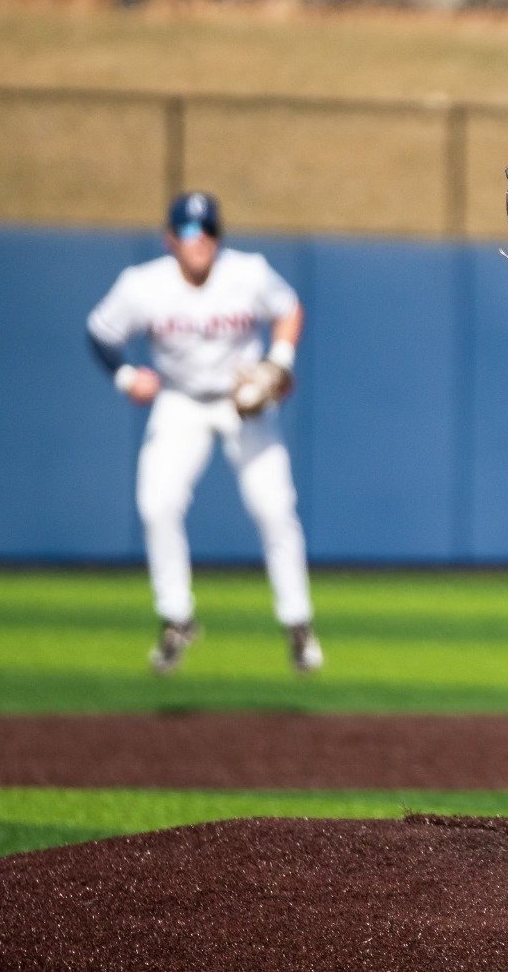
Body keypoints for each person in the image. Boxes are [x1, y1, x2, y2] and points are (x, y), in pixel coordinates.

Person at [86, 192, 323, 676]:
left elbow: (288, 309)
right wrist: (127, 377)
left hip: (244, 400)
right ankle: (176, 617)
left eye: (209, 230)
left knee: (274, 508)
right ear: (170, 238)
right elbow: (100, 331)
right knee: (158, 504)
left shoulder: (248, 272)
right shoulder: (142, 285)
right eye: (191, 231)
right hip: (180, 401)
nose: (202, 241)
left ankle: (298, 625)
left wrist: (278, 362)